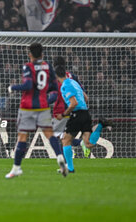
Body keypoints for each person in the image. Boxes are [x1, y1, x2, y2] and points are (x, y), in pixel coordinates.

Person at [6, 43, 65, 179]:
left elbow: (27, 85)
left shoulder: (28, 66)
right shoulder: (48, 66)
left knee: (22, 136)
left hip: (27, 106)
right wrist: (43, 91)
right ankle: (60, 158)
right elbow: (54, 86)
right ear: (42, 54)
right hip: (43, 106)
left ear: (30, 54)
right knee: (50, 134)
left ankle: (16, 168)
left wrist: (13, 88)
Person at [55, 65, 112, 174]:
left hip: (77, 114)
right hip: (85, 113)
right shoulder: (74, 82)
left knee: (65, 140)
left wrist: (63, 114)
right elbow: (86, 98)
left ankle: (70, 168)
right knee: (88, 144)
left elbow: (73, 103)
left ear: (57, 76)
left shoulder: (65, 86)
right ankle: (100, 125)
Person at [50, 56, 90, 158]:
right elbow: (84, 95)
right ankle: (77, 145)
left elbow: (54, 96)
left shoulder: (54, 77)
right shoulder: (72, 76)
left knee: (56, 136)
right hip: (74, 110)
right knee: (64, 137)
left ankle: (74, 148)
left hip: (61, 110)